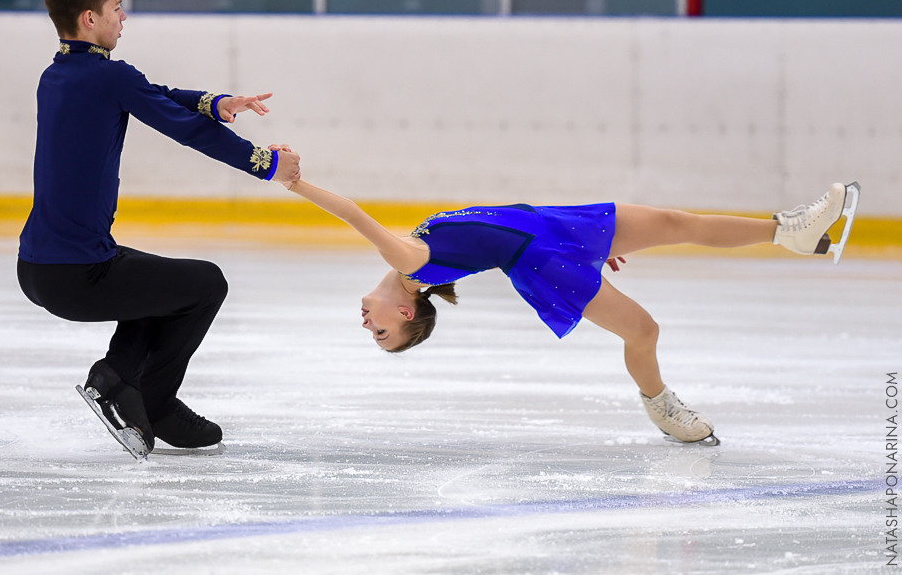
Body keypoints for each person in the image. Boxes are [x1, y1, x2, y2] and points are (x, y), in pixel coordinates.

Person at [278, 166, 858, 445]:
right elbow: (354, 213)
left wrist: (589, 249)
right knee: (644, 330)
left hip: (556, 229)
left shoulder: (417, 254)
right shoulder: (411, 262)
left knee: (677, 221)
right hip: (545, 262)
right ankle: (661, 405)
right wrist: (293, 181)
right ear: (407, 314)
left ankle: (793, 231)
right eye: (381, 335)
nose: (367, 326)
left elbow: (497, 224)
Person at [17, 0, 300, 459]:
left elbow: (155, 96)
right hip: (78, 274)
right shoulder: (109, 77)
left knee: (161, 284)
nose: (123, 18)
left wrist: (216, 101)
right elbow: (183, 128)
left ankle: (122, 380)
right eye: (117, 8)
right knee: (205, 284)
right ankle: (153, 400)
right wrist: (265, 162)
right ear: (90, 18)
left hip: (40, 267)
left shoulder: (58, 74)